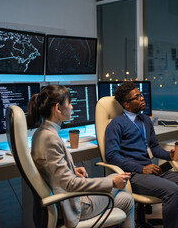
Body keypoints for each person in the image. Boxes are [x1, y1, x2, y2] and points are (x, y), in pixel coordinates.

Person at [27, 84, 134, 228]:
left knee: (127, 199)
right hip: (73, 206)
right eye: (69, 103)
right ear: (58, 108)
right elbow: (70, 184)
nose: (71, 107)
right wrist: (112, 183)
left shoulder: (41, 133)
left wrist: (72, 169)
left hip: (67, 199)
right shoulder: (50, 138)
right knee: (118, 180)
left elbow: (52, 171)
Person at [105, 81, 178, 228]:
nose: (142, 98)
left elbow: (154, 147)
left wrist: (169, 155)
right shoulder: (116, 124)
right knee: (172, 190)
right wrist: (141, 169)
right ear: (126, 104)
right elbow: (111, 156)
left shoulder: (145, 120)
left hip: (152, 170)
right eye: (137, 97)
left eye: (141, 95)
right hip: (134, 175)